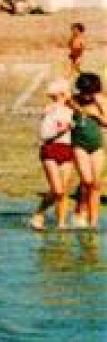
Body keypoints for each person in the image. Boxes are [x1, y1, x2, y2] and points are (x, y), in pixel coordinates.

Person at [33, 78, 75, 231]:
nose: (71, 93)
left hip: (68, 150)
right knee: (57, 190)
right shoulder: (49, 109)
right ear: (62, 94)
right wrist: (61, 131)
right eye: (68, 91)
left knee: (64, 190)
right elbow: (44, 135)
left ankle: (61, 223)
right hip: (50, 150)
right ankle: (39, 213)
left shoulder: (72, 110)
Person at [69, 71, 105, 229]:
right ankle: (80, 209)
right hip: (79, 144)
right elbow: (63, 97)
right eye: (85, 93)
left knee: (96, 184)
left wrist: (95, 114)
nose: (87, 97)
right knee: (87, 180)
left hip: (96, 145)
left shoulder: (100, 101)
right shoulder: (72, 100)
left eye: (90, 93)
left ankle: (93, 223)